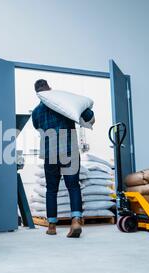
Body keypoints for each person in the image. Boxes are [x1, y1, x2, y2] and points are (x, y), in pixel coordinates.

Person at [32, 79, 95, 238]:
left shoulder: (36, 112)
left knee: (51, 190)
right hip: (69, 150)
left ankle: (52, 225)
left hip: (50, 153)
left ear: (38, 94)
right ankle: (75, 221)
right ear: (50, 88)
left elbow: (38, 128)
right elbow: (89, 115)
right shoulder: (65, 102)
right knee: (73, 186)